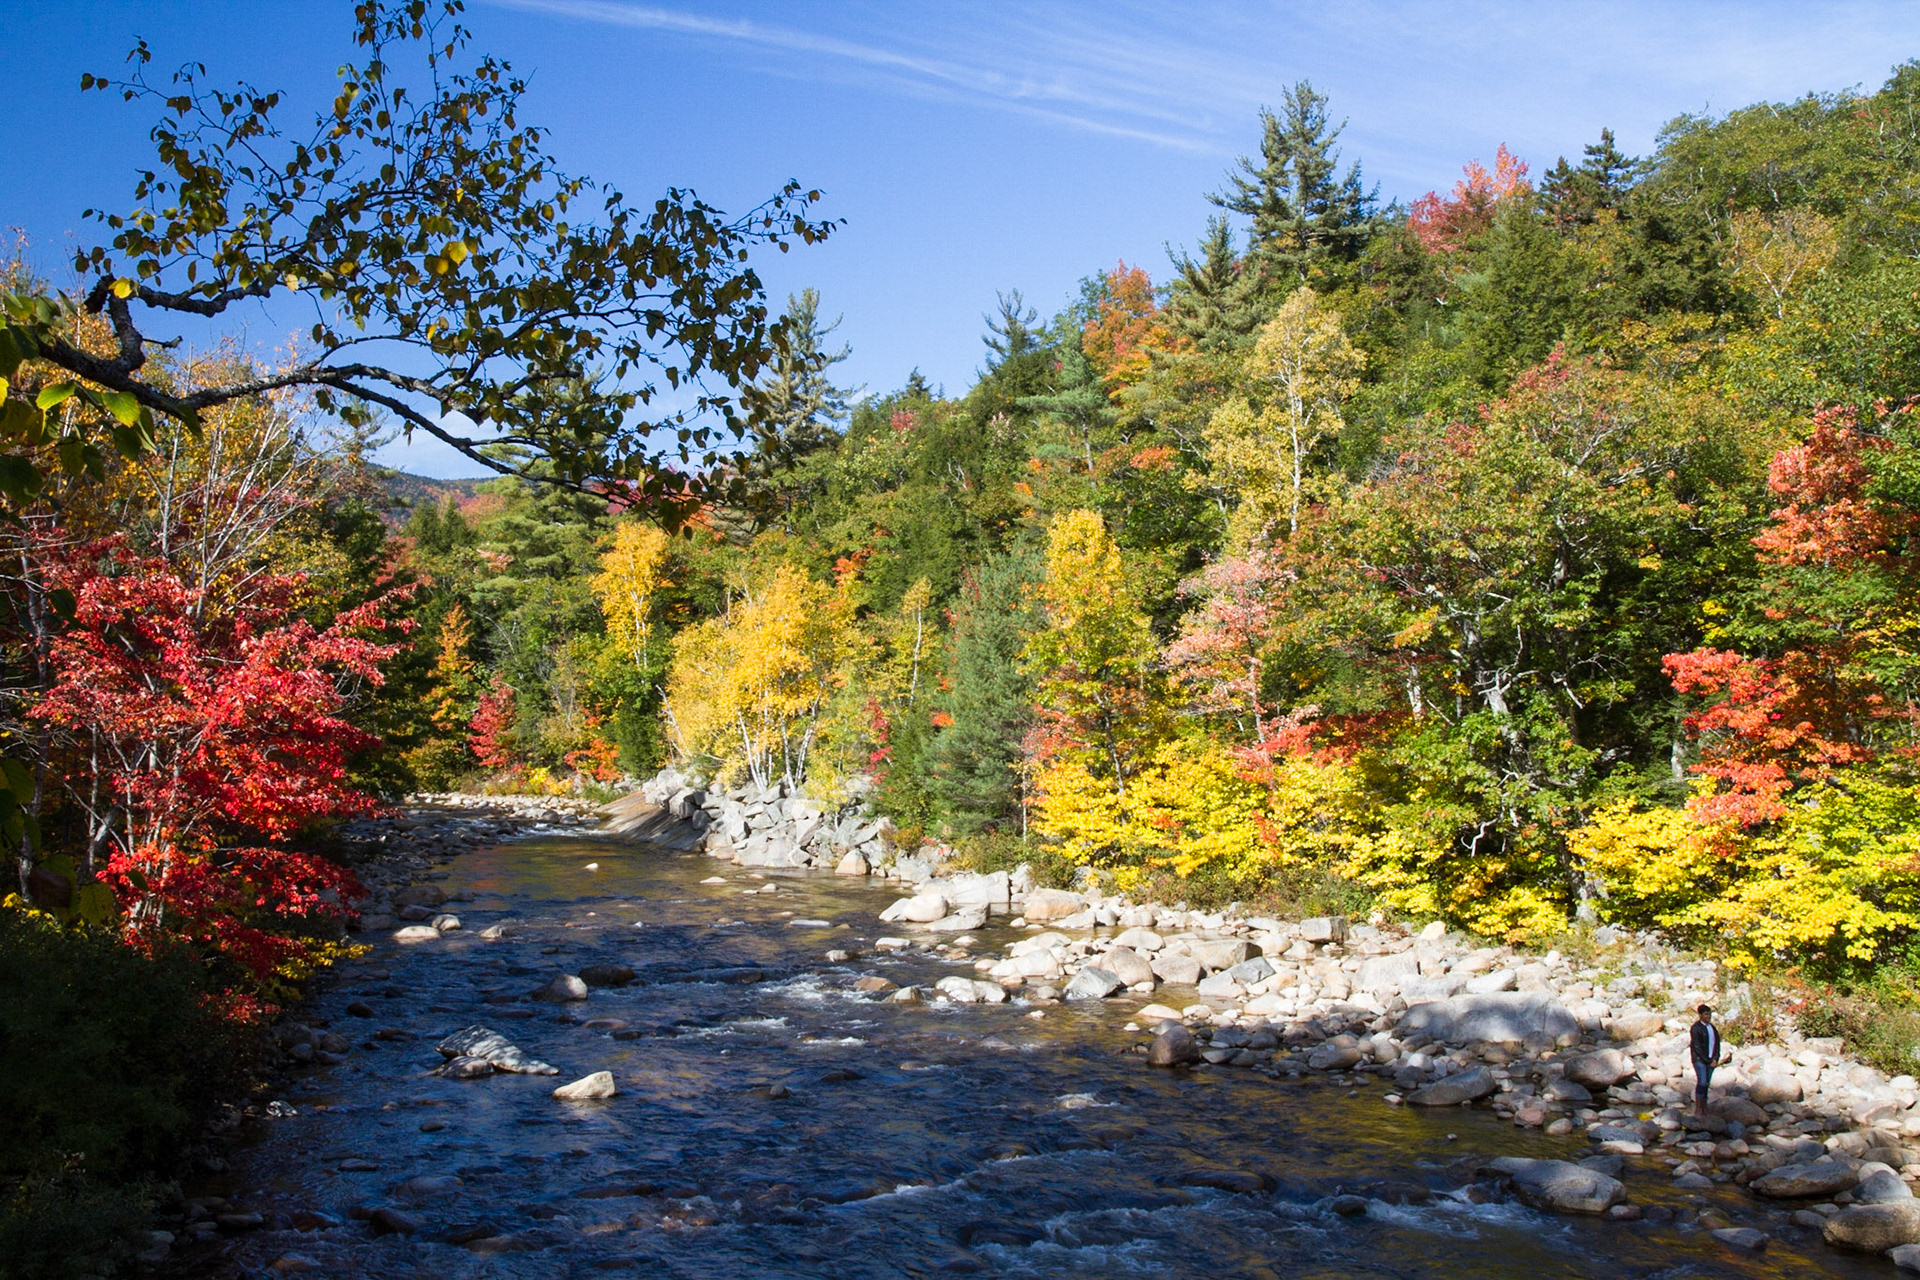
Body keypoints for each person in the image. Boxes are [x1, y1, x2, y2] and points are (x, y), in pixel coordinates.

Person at [1690, 1004, 1727, 1117]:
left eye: (1709, 1014)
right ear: (1700, 1015)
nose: (1708, 1017)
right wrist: (1707, 1060)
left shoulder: (1712, 1028)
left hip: (1711, 1060)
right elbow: (1697, 1047)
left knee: (1706, 1084)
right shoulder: (1696, 1028)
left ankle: (1705, 1107)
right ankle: (1699, 1108)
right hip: (1700, 1060)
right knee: (1702, 1082)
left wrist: (1715, 1058)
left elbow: (1717, 1045)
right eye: (1706, 1014)